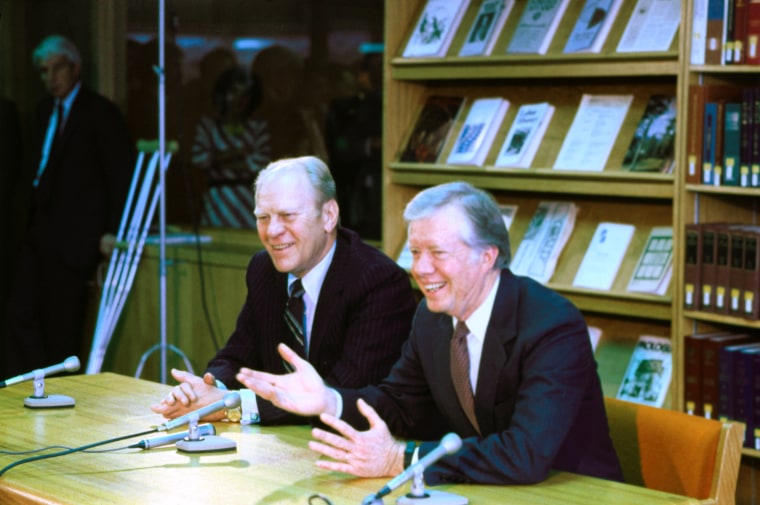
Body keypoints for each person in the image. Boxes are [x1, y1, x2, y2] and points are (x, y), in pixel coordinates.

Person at [236, 181, 624, 485]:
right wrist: (328, 401)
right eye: (415, 252)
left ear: (487, 256)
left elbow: (525, 454)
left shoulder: (551, 325)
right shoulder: (432, 317)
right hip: (485, 490)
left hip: (574, 493)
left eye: (437, 253)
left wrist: (402, 460)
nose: (420, 269)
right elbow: (400, 404)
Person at [151, 156, 417, 425]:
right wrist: (209, 389)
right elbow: (239, 353)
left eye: (288, 215)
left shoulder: (377, 281)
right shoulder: (263, 269)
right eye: (263, 218)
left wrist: (233, 406)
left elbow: (337, 394)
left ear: (328, 216)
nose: (273, 231)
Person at [2, 35, 135, 376]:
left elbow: (120, 177)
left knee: (62, 324)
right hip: (37, 233)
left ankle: (59, 394)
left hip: (76, 238)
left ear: (74, 67)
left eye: (56, 68)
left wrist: (113, 231)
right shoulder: (44, 110)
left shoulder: (99, 112)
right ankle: (30, 386)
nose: (50, 78)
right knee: (19, 313)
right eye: (44, 71)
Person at [190, 66, 271, 228]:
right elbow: (200, 159)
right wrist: (240, 154)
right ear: (223, 93)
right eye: (234, 91)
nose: (239, 99)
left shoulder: (258, 128)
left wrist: (218, 158)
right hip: (216, 202)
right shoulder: (208, 127)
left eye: (246, 94)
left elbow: (260, 164)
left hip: (248, 200)